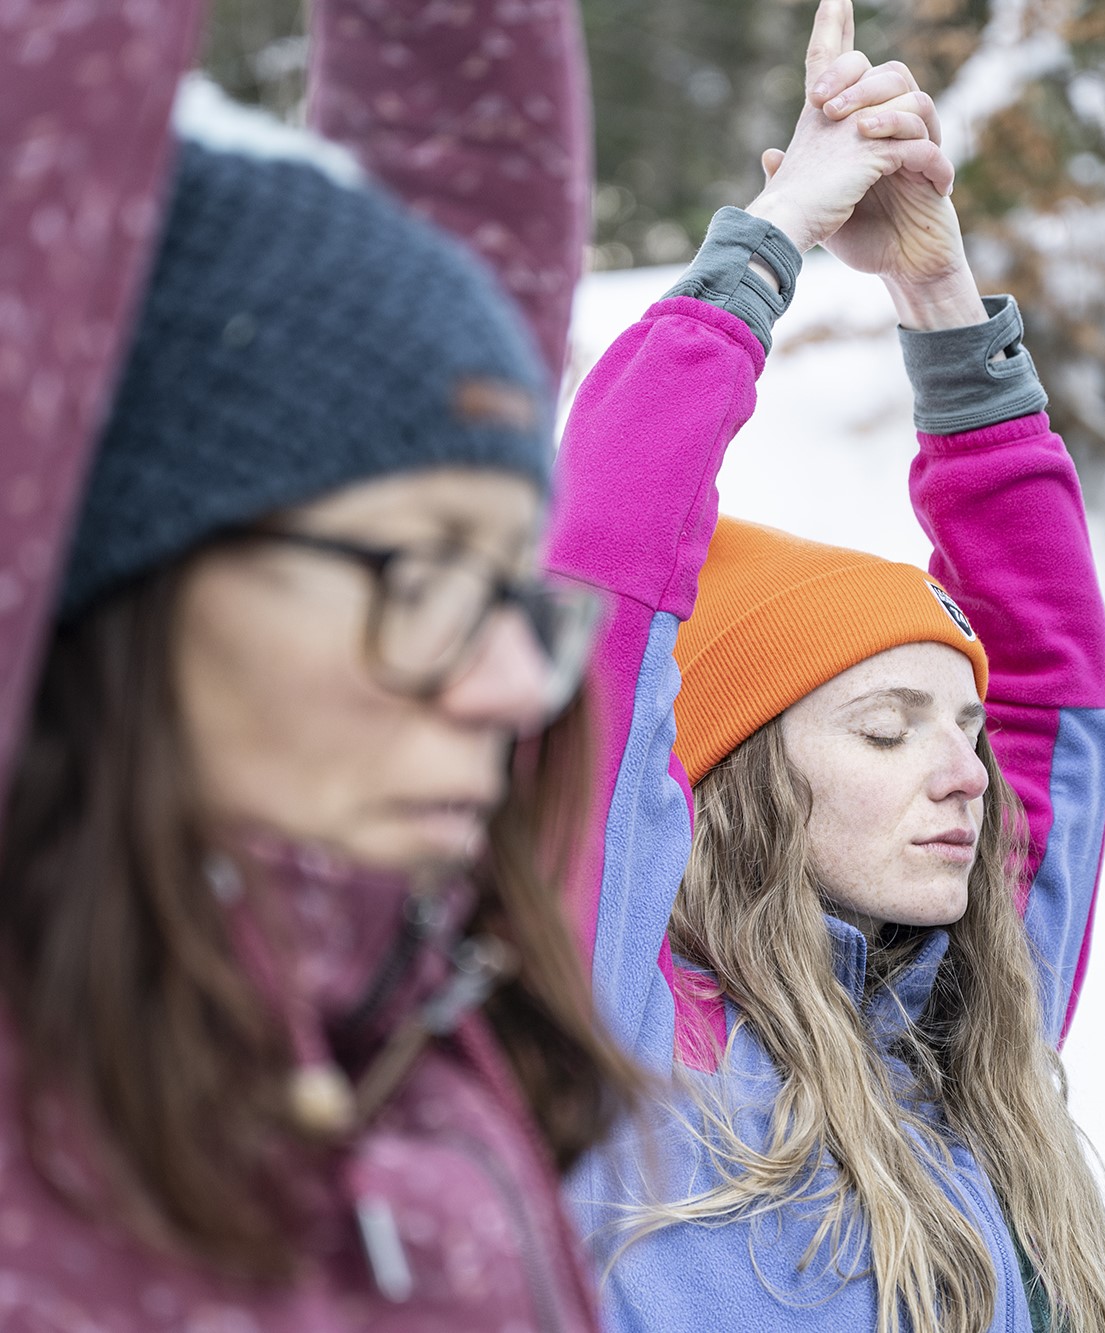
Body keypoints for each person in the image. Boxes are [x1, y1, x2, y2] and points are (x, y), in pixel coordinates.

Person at [0, 82, 639, 1331]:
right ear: (124, 561)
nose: (516, 687)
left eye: (514, 590)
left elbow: (470, 132)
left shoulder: (409, 1012)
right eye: (429, 573)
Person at [548, 2, 1105, 1329]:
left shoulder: (965, 1029)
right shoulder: (611, 1036)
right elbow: (599, 585)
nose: (961, 772)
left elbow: (1053, 683)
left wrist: (936, 292)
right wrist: (771, 242)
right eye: (884, 729)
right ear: (739, 779)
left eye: (960, 730)